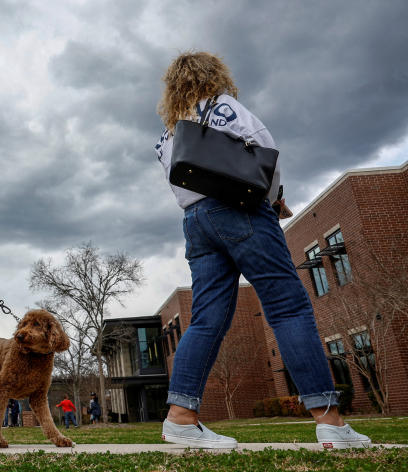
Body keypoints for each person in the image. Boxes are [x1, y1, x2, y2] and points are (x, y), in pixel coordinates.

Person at [155, 52, 371, 450]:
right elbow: (266, 153)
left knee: (205, 319)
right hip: (241, 212)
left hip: (195, 223)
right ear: (213, 76)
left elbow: (179, 185)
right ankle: (330, 421)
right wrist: (274, 201)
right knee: (287, 307)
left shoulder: (168, 133)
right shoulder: (223, 107)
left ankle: (181, 418)